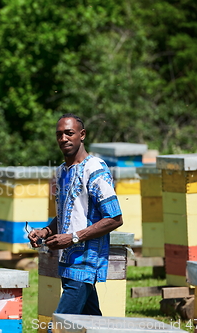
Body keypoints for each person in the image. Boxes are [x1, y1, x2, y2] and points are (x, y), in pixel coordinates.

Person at [28, 113, 123, 318]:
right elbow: (66, 215)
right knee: (90, 323)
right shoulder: (61, 171)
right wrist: (45, 231)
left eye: (69, 133)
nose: (63, 138)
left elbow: (115, 218)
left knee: (60, 325)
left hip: (85, 264)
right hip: (67, 264)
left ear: (82, 135)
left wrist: (72, 237)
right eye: (59, 134)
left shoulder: (95, 169)